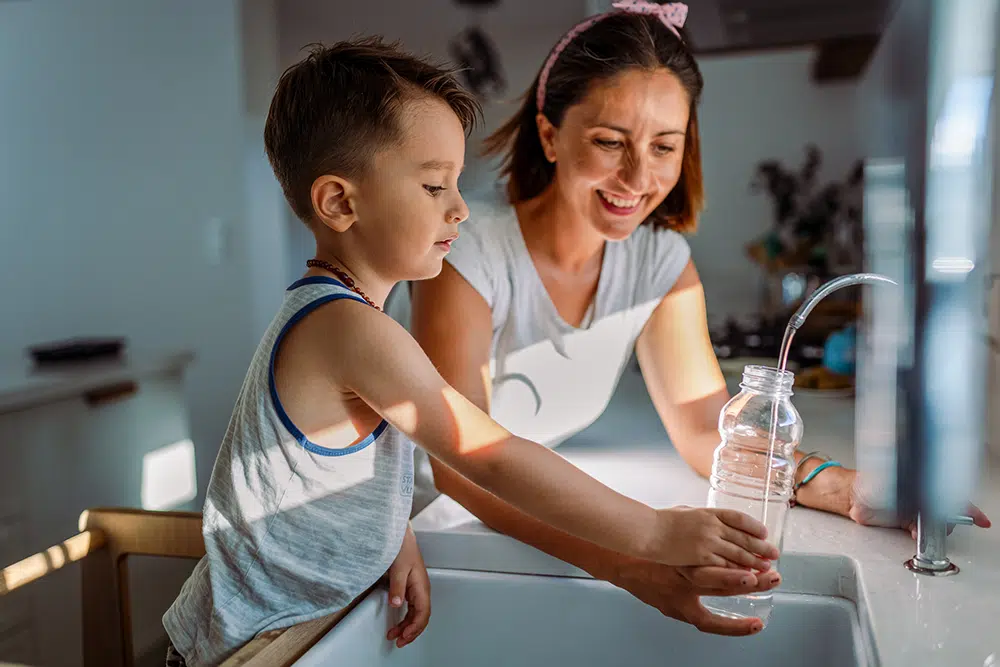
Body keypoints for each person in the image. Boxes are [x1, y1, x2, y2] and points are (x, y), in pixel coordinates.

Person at [161, 36, 781, 667]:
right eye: (434, 186)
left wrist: (389, 534)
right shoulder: (351, 329)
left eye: (456, 183)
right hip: (255, 648)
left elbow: (325, 467)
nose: (460, 208)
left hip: (303, 628)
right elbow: (488, 453)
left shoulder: (347, 317)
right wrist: (652, 532)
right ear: (340, 203)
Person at [409, 0, 989, 636]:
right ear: (549, 135)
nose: (638, 175)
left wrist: (841, 486)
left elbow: (705, 429)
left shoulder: (659, 261)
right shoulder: (467, 251)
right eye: (609, 142)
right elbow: (462, 463)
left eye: (664, 146)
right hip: (421, 534)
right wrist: (632, 560)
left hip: (519, 522)